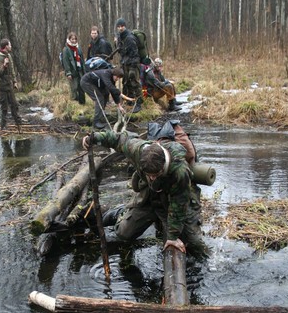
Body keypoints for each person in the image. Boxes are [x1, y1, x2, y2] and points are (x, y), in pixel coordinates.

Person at [82, 130, 209, 258]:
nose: (152, 178)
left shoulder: (180, 171)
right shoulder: (136, 149)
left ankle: (166, 225)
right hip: (150, 195)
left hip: (173, 199)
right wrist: (93, 138)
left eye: (156, 174)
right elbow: (117, 139)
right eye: (149, 175)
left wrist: (172, 236)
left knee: (195, 245)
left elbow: (179, 205)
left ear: (164, 165)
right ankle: (121, 212)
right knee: (124, 233)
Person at [114, 18, 142, 112]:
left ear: (125, 26)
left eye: (122, 26)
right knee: (126, 82)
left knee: (134, 82)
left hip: (133, 63)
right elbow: (121, 51)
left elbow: (135, 53)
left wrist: (133, 67)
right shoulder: (119, 37)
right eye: (118, 26)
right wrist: (116, 44)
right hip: (124, 63)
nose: (120, 28)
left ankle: (139, 103)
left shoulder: (130, 37)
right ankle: (129, 101)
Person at [0, 38, 22, 130]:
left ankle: (18, 123)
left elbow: (12, 70)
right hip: (1, 87)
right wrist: (4, 66)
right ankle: (3, 126)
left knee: (14, 105)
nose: (11, 46)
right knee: (3, 108)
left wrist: (14, 81)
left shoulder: (8, 55)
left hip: (9, 85)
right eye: (9, 45)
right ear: (6, 46)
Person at [61, 31, 85, 104]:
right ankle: (75, 105)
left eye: (75, 39)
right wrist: (68, 73)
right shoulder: (66, 50)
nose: (74, 41)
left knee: (81, 88)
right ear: (69, 39)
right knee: (74, 88)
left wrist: (84, 70)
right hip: (72, 72)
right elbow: (65, 62)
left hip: (79, 71)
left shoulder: (78, 48)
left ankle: (82, 104)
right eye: (72, 39)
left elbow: (82, 60)